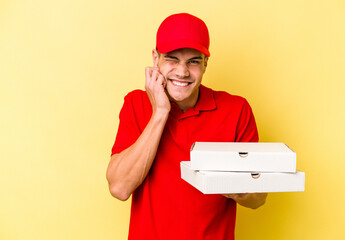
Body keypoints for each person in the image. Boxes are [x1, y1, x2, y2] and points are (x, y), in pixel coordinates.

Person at [106, 13, 268, 240]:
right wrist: (160, 112)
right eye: (172, 59)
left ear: (205, 64)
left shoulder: (236, 109)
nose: (182, 72)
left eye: (193, 61)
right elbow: (119, 188)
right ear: (156, 58)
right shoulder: (136, 104)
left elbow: (259, 197)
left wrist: (240, 190)